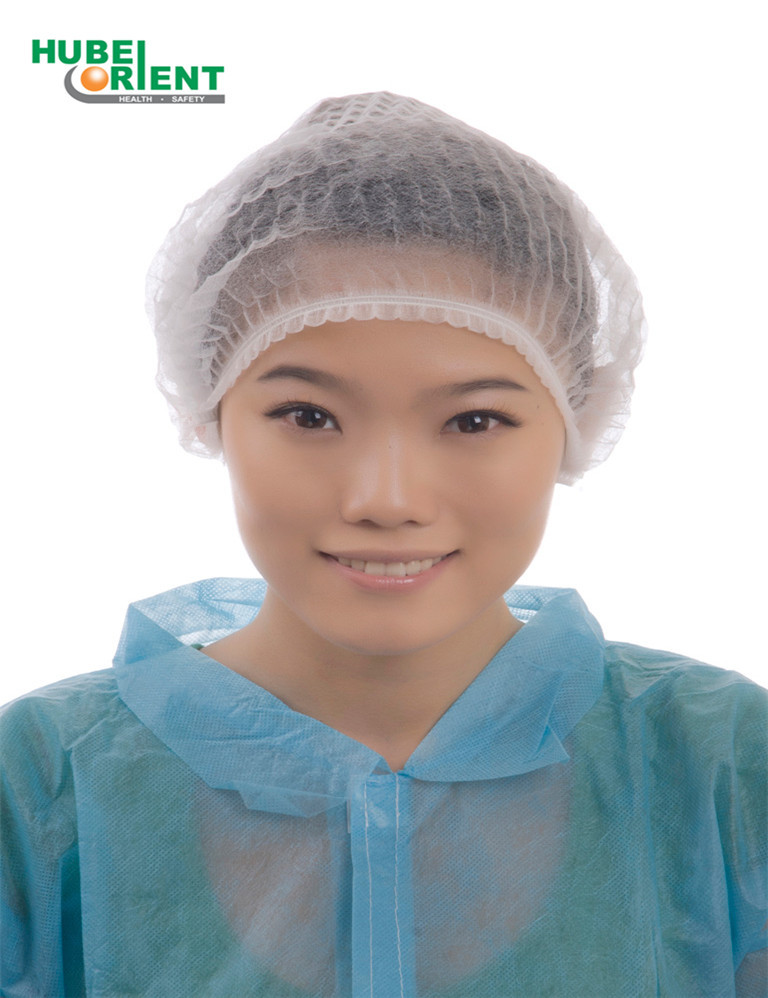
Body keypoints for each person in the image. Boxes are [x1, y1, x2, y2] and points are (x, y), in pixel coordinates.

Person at [1, 92, 765, 997]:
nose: (386, 500)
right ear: (209, 412)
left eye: (474, 419)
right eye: (308, 415)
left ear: (575, 421)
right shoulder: (41, 786)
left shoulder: (720, 766)